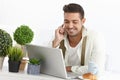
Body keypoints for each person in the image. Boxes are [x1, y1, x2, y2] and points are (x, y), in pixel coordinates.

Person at [52, 3, 106, 79]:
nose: (70, 26)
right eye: (66, 22)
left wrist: (70, 68)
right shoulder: (59, 35)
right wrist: (56, 42)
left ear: (83, 21)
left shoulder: (95, 37)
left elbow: (96, 69)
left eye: (75, 22)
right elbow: (46, 63)